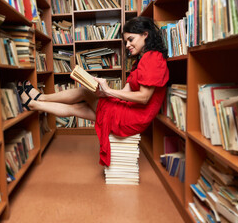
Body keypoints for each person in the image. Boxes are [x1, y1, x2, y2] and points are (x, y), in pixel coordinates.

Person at [19, 16, 169, 166]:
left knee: (84, 92)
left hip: (134, 118)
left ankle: (40, 97)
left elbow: (144, 97)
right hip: (130, 112)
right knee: (77, 108)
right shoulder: (142, 60)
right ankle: (33, 103)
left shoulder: (153, 59)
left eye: (131, 39)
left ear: (145, 34)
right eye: (126, 42)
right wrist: (105, 93)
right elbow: (126, 92)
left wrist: (108, 91)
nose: (128, 45)